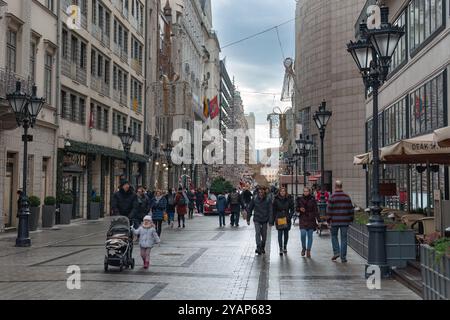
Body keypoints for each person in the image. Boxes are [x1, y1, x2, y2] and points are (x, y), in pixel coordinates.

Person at [327, 180, 354, 263]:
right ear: (341, 186)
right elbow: (351, 209)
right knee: (344, 239)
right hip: (345, 221)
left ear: (335, 186)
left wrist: (328, 220)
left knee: (334, 236)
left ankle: (336, 252)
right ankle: (343, 257)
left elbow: (329, 210)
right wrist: (351, 219)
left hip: (334, 221)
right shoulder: (346, 197)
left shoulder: (332, 197)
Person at [246, 187, 273, 255]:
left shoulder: (267, 199)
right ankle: (258, 247)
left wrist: (270, 221)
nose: (260, 193)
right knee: (257, 233)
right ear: (258, 192)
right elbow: (250, 208)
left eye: (262, 192)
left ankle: (262, 247)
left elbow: (270, 210)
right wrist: (248, 219)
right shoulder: (255, 198)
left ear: (264, 192)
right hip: (257, 219)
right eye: (259, 192)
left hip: (265, 219)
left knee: (264, 235)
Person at [271, 187, 295, 256]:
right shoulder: (276, 199)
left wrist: (289, 216)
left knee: (286, 234)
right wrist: (274, 219)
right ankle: (280, 248)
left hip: (286, 218)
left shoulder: (289, 199)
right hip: (279, 218)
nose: (282, 192)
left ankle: (285, 246)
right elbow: (273, 210)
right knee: (280, 233)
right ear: (279, 192)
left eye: (284, 191)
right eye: (281, 191)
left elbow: (292, 209)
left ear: (285, 192)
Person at [297, 187, 319, 258]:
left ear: (309, 192)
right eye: (304, 191)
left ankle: (308, 250)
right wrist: (300, 209)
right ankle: (304, 248)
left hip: (311, 219)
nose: (305, 192)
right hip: (303, 218)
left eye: (307, 191)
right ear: (303, 192)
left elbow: (316, 210)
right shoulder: (299, 199)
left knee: (310, 236)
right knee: (303, 234)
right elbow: (296, 208)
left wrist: (318, 220)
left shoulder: (313, 199)